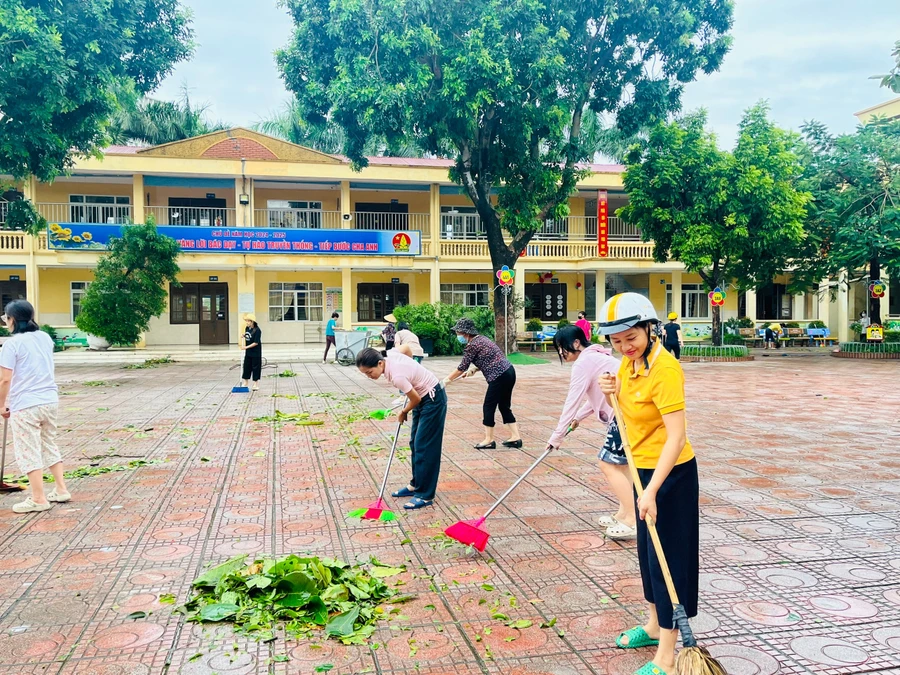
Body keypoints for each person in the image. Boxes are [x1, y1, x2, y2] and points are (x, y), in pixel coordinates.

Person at [596, 293, 698, 675]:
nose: (624, 346)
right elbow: (629, 415)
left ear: (649, 328)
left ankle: (669, 656)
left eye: (630, 337)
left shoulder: (665, 369)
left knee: (670, 561)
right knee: (648, 555)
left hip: (670, 475)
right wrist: (613, 392)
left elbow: (676, 435)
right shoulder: (627, 364)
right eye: (616, 341)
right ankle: (654, 626)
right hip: (642, 470)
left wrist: (653, 489)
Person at [549, 325, 635, 539]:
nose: (561, 353)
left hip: (624, 415)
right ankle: (624, 514)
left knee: (607, 463)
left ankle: (633, 521)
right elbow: (593, 397)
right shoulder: (594, 357)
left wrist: (556, 437)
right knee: (620, 465)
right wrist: (577, 419)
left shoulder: (584, 362)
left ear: (576, 343)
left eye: (562, 347)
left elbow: (573, 399)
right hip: (627, 413)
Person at [0, 300, 70, 513]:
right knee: (48, 443)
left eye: (6, 318)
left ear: (12, 319)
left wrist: (1, 405)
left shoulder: (12, 344)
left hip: (26, 404)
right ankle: (60, 489)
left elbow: (4, 379)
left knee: (28, 449)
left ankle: (38, 498)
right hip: (49, 400)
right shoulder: (44, 338)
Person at [356, 347, 447, 510]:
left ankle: (425, 495)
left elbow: (415, 399)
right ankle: (416, 484)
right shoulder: (389, 354)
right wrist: (412, 370)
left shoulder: (397, 376)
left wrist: (403, 411)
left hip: (432, 398)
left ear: (379, 363)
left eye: (369, 372)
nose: (369, 377)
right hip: (421, 397)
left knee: (425, 447)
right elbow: (406, 348)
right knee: (415, 443)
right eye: (365, 374)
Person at [443, 317, 522, 449]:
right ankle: (516, 437)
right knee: (504, 405)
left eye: (458, 333)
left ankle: (489, 440)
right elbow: (491, 358)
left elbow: (461, 367)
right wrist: (474, 369)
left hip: (498, 376)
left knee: (488, 406)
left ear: (466, 333)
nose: (457, 335)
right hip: (509, 372)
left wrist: (446, 380)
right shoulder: (483, 339)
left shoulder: (472, 345)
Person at [240, 314, 262, 391]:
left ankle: (256, 384)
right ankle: (245, 382)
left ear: (252, 321)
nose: (246, 322)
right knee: (246, 366)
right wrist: (243, 335)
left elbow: (256, 343)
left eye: (248, 321)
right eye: (246, 321)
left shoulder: (257, 330)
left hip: (256, 352)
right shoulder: (247, 328)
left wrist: (245, 347)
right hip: (248, 352)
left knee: (256, 367)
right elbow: (248, 336)